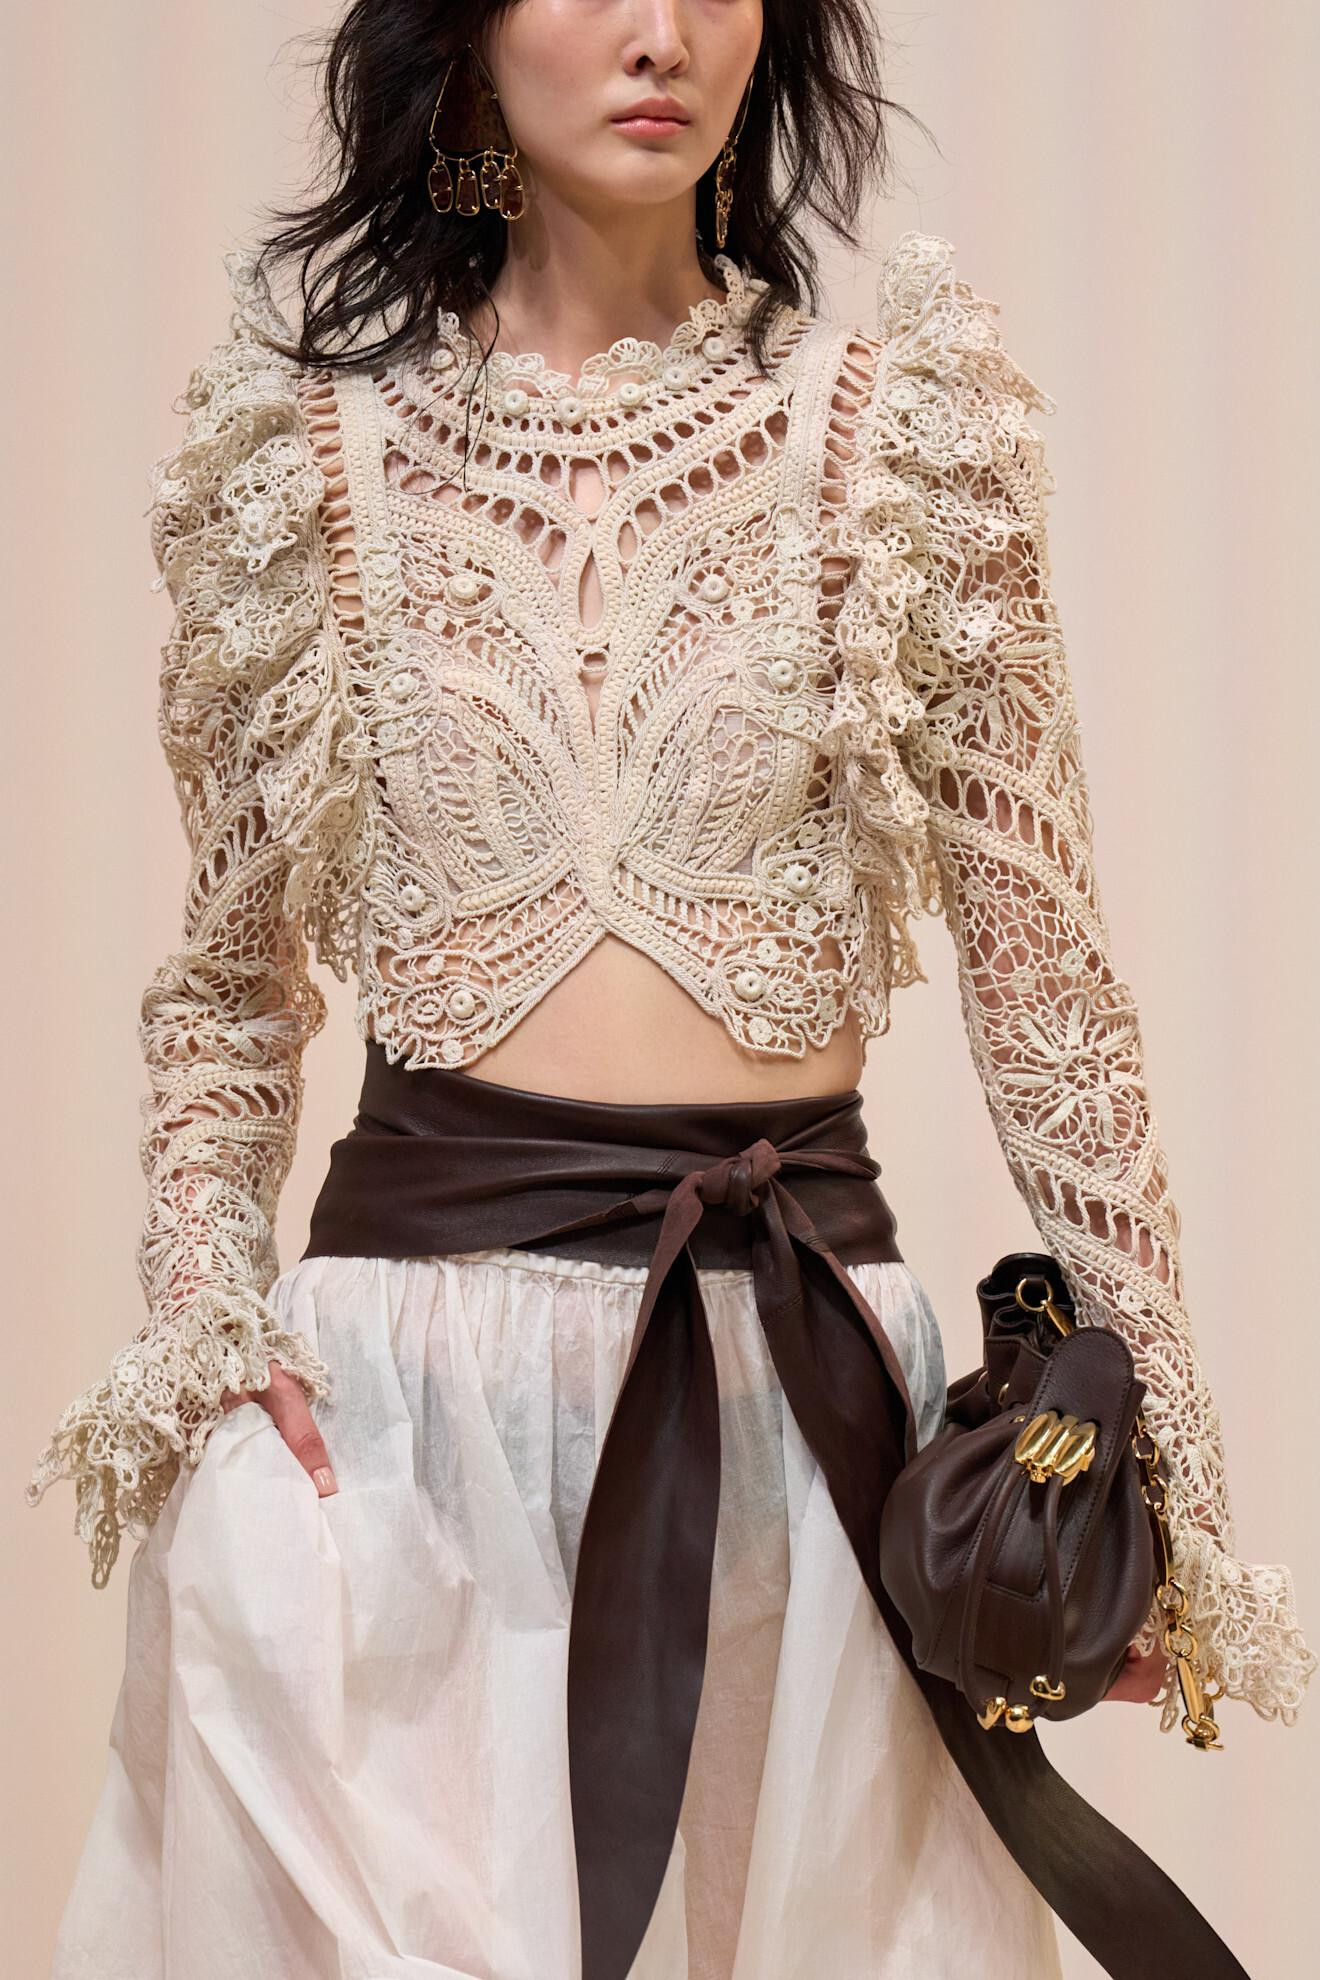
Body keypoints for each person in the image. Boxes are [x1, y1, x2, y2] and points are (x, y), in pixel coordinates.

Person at [27, 4, 1313, 1977]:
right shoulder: (294, 468)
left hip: (797, 1416)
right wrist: (207, 1323)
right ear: (464, 40)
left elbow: (1053, 996)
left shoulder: (902, 446)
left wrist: (1169, 1502)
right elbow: (224, 987)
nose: (660, 31)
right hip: (392, 1433)